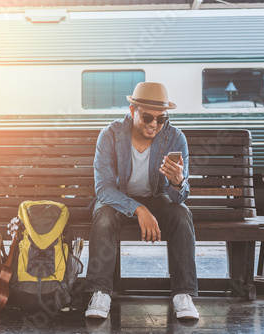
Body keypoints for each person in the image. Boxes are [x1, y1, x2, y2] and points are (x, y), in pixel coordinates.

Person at [84, 82, 199, 320]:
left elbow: (179, 198)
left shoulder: (175, 138)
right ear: (132, 110)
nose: (154, 125)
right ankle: (100, 292)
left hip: (156, 198)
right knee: (103, 216)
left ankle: (183, 294)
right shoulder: (110, 135)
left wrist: (179, 181)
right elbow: (103, 188)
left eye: (161, 119)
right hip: (117, 198)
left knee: (182, 214)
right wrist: (138, 209)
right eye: (147, 117)